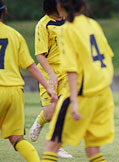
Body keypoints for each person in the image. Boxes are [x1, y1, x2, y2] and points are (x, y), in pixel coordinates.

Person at [41, 0, 115, 161]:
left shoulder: (67, 29)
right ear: (82, 6)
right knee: (93, 149)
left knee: (51, 145)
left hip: (82, 94)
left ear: (59, 7)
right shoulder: (93, 24)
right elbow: (108, 56)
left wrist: (73, 101)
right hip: (102, 93)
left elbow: (72, 69)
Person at [0, 1, 58, 161]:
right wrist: (48, 87)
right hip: (14, 92)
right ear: (4, 11)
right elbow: (30, 66)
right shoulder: (14, 35)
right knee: (17, 139)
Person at [29, 0, 72, 158]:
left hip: (68, 72)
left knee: (65, 108)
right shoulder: (43, 24)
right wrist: (51, 73)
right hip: (49, 73)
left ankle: (58, 146)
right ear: (53, 7)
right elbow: (40, 54)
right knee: (49, 114)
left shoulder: (68, 20)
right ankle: (40, 121)